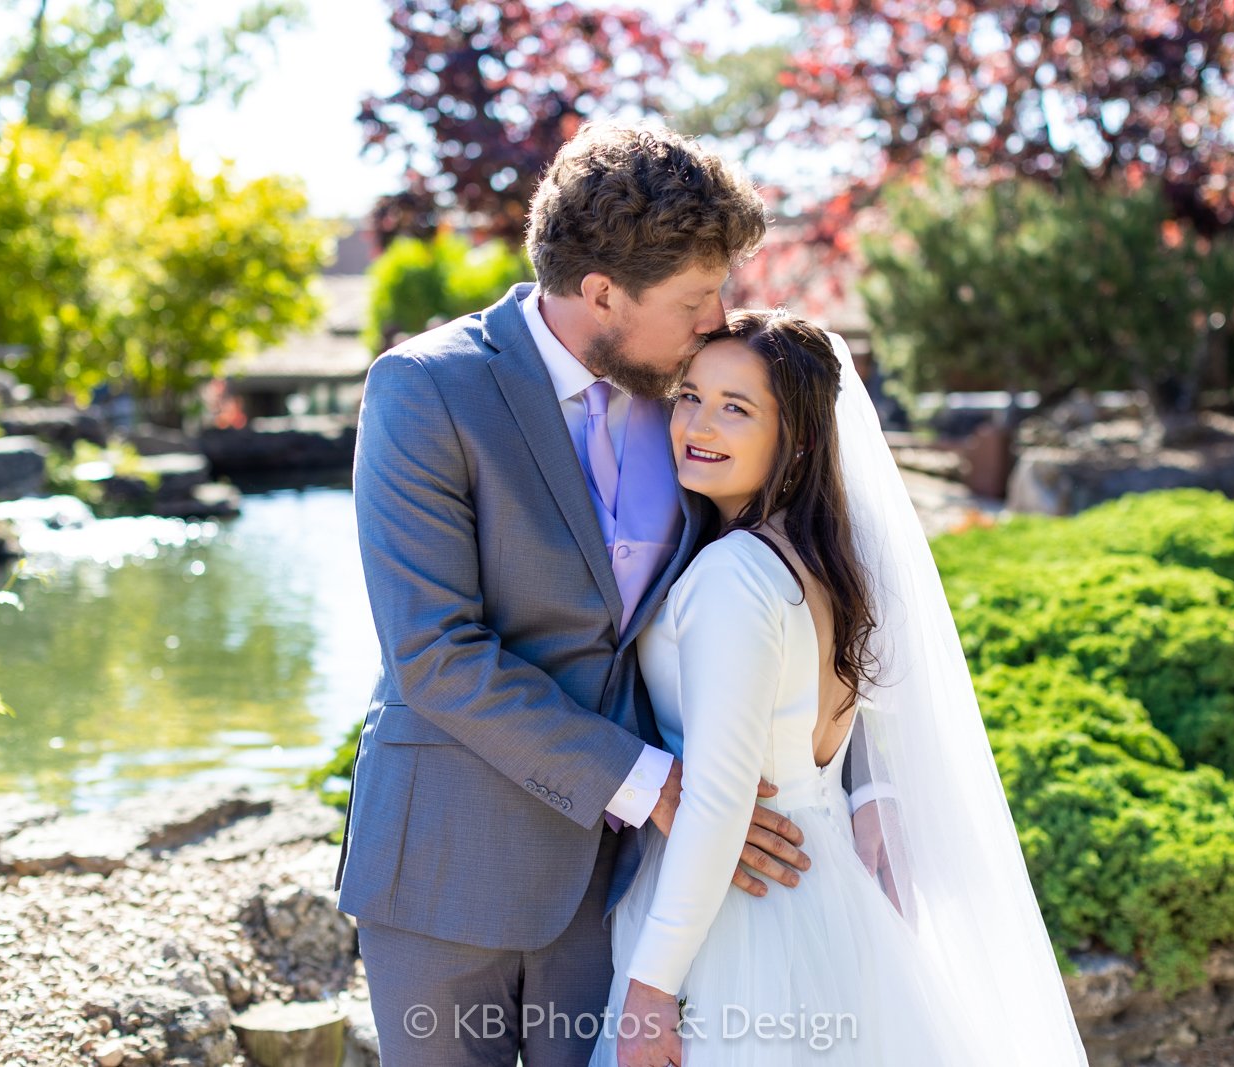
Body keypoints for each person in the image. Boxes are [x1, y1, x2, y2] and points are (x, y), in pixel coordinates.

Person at [335, 123, 816, 1066]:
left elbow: (778, 569)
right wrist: (657, 786)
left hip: (616, 889)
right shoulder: (425, 390)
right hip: (448, 870)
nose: (716, 319)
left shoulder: (688, 399)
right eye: (692, 297)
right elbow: (434, 654)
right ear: (601, 292)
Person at [593, 311, 1090, 1066]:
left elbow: (723, 797)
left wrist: (653, 986)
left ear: (796, 436)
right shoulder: (823, 562)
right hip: (824, 889)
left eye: (737, 407)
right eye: (690, 395)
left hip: (741, 910)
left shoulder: (732, 577)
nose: (698, 422)